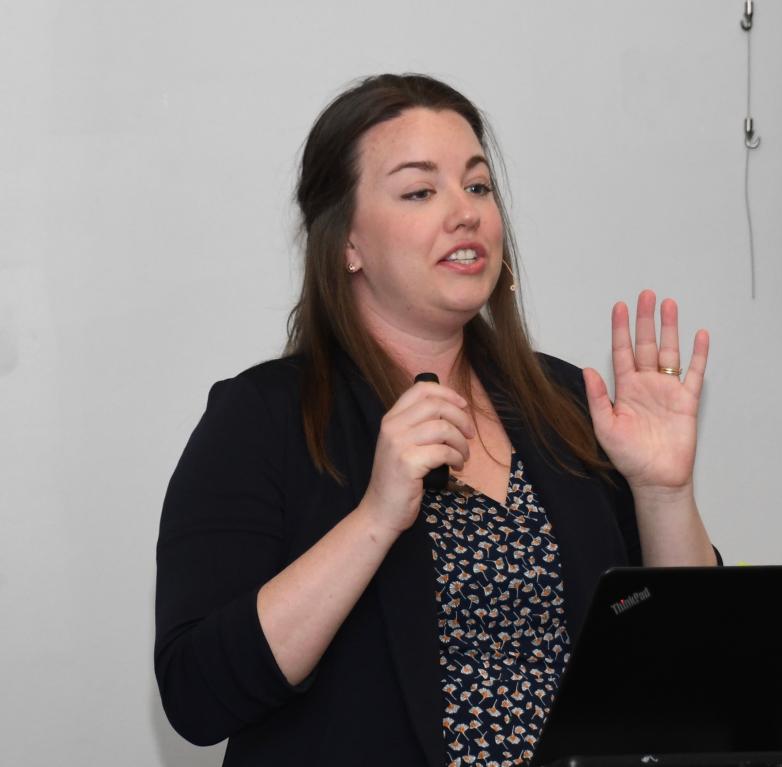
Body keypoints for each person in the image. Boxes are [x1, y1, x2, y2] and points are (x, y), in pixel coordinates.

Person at [154, 73, 718, 767]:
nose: (465, 212)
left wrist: (664, 492)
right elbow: (197, 694)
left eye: (477, 186)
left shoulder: (569, 402)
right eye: (421, 191)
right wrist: (375, 518)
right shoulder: (262, 418)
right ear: (347, 242)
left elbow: (695, 666)